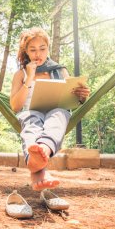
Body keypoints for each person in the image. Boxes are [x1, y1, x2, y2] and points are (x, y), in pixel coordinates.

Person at [10, 27, 90, 191]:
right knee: (32, 124)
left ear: (48, 49)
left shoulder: (60, 71)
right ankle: (38, 164)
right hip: (30, 113)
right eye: (32, 50)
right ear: (26, 51)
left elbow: (72, 98)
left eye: (42, 49)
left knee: (59, 115)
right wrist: (30, 77)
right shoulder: (21, 74)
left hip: (56, 110)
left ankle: (42, 151)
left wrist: (82, 95)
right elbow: (15, 106)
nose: (38, 54)